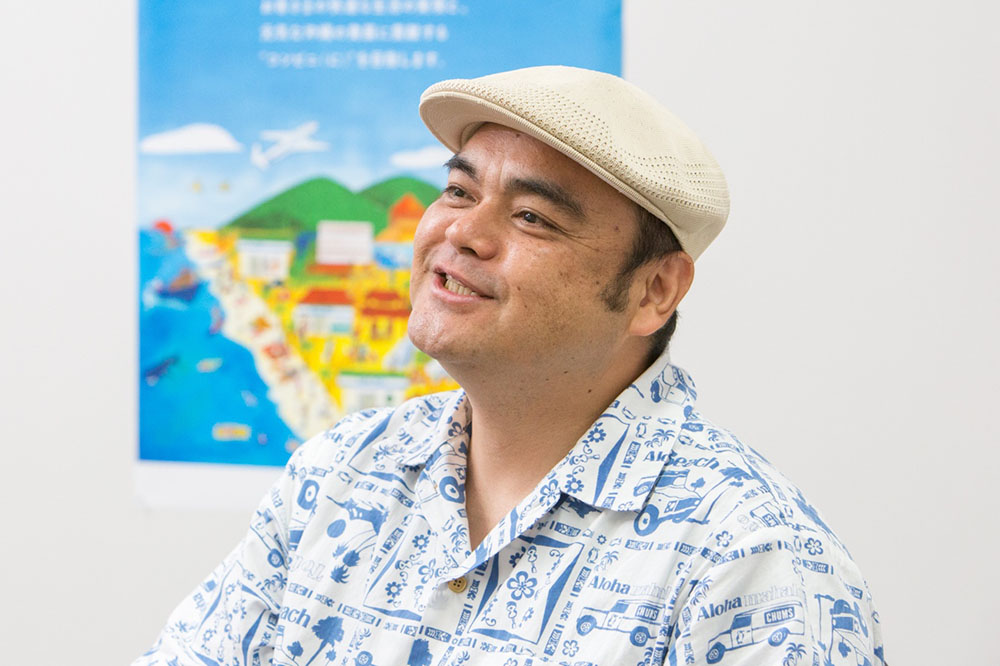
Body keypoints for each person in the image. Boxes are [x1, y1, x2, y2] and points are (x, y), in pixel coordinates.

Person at [136, 66, 886, 666]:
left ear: (654, 290)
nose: (463, 232)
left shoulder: (752, 563)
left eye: (532, 216)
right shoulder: (341, 474)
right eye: (458, 191)